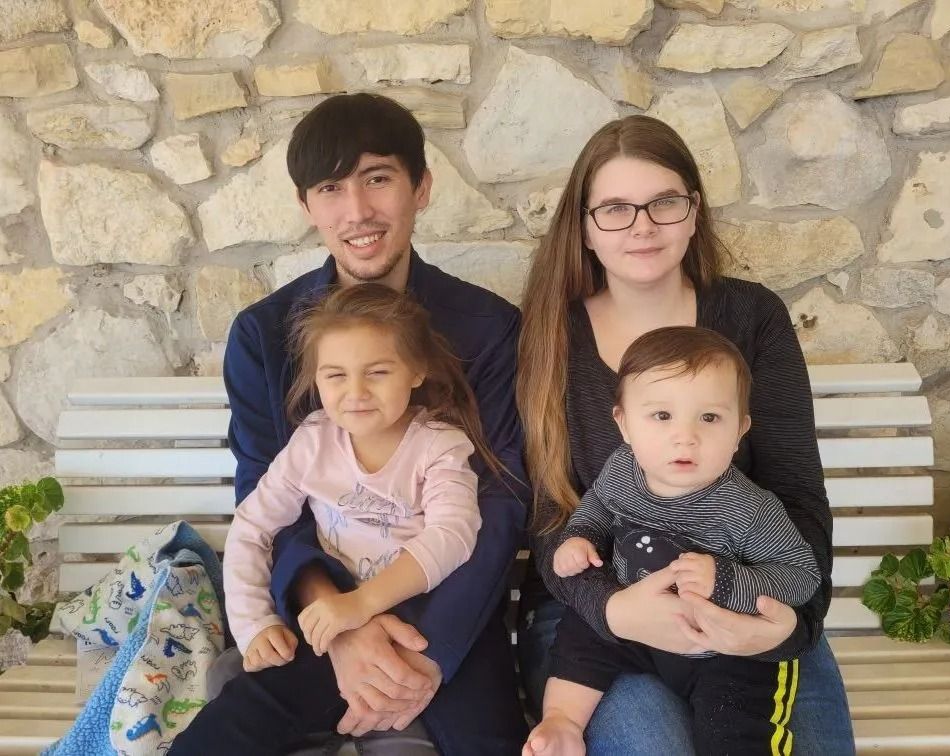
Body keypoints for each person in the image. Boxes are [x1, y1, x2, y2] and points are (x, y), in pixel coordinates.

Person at [171, 93, 528, 756]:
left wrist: (430, 657)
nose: (358, 212)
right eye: (331, 188)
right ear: (307, 206)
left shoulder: (487, 328)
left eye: (378, 179)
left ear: (421, 188)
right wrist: (341, 621)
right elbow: (268, 500)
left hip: (446, 611)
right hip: (322, 606)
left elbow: (502, 499)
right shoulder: (265, 336)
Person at [515, 114, 856, 755]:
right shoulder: (547, 335)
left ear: (694, 212)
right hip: (592, 618)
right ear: (584, 226)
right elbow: (550, 516)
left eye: (664, 202)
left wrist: (782, 627)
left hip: (740, 597)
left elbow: (798, 495)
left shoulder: (751, 316)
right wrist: (614, 609)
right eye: (615, 208)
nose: (642, 225)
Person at [524, 326, 821, 756]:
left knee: (738, 723)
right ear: (623, 424)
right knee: (582, 635)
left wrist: (725, 582)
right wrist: (580, 536)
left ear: (741, 429)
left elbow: (800, 576)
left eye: (710, 417)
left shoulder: (750, 509)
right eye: (662, 416)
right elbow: (598, 507)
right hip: (639, 622)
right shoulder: (623, 470)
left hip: (722, 648)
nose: (686, 436)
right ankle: (563, 721)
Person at [225, 283, 504, 668]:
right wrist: (253, 622)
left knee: (481, 726)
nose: (356, 392)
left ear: (416, 372)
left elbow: (453, 534)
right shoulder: (312, 442)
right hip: (333, 623)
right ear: (316, 379)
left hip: (421, 620)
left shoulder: (440, 446)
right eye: (336, 375)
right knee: (243, 705)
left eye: (377, 372)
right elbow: (252, 525)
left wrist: (363, 602)